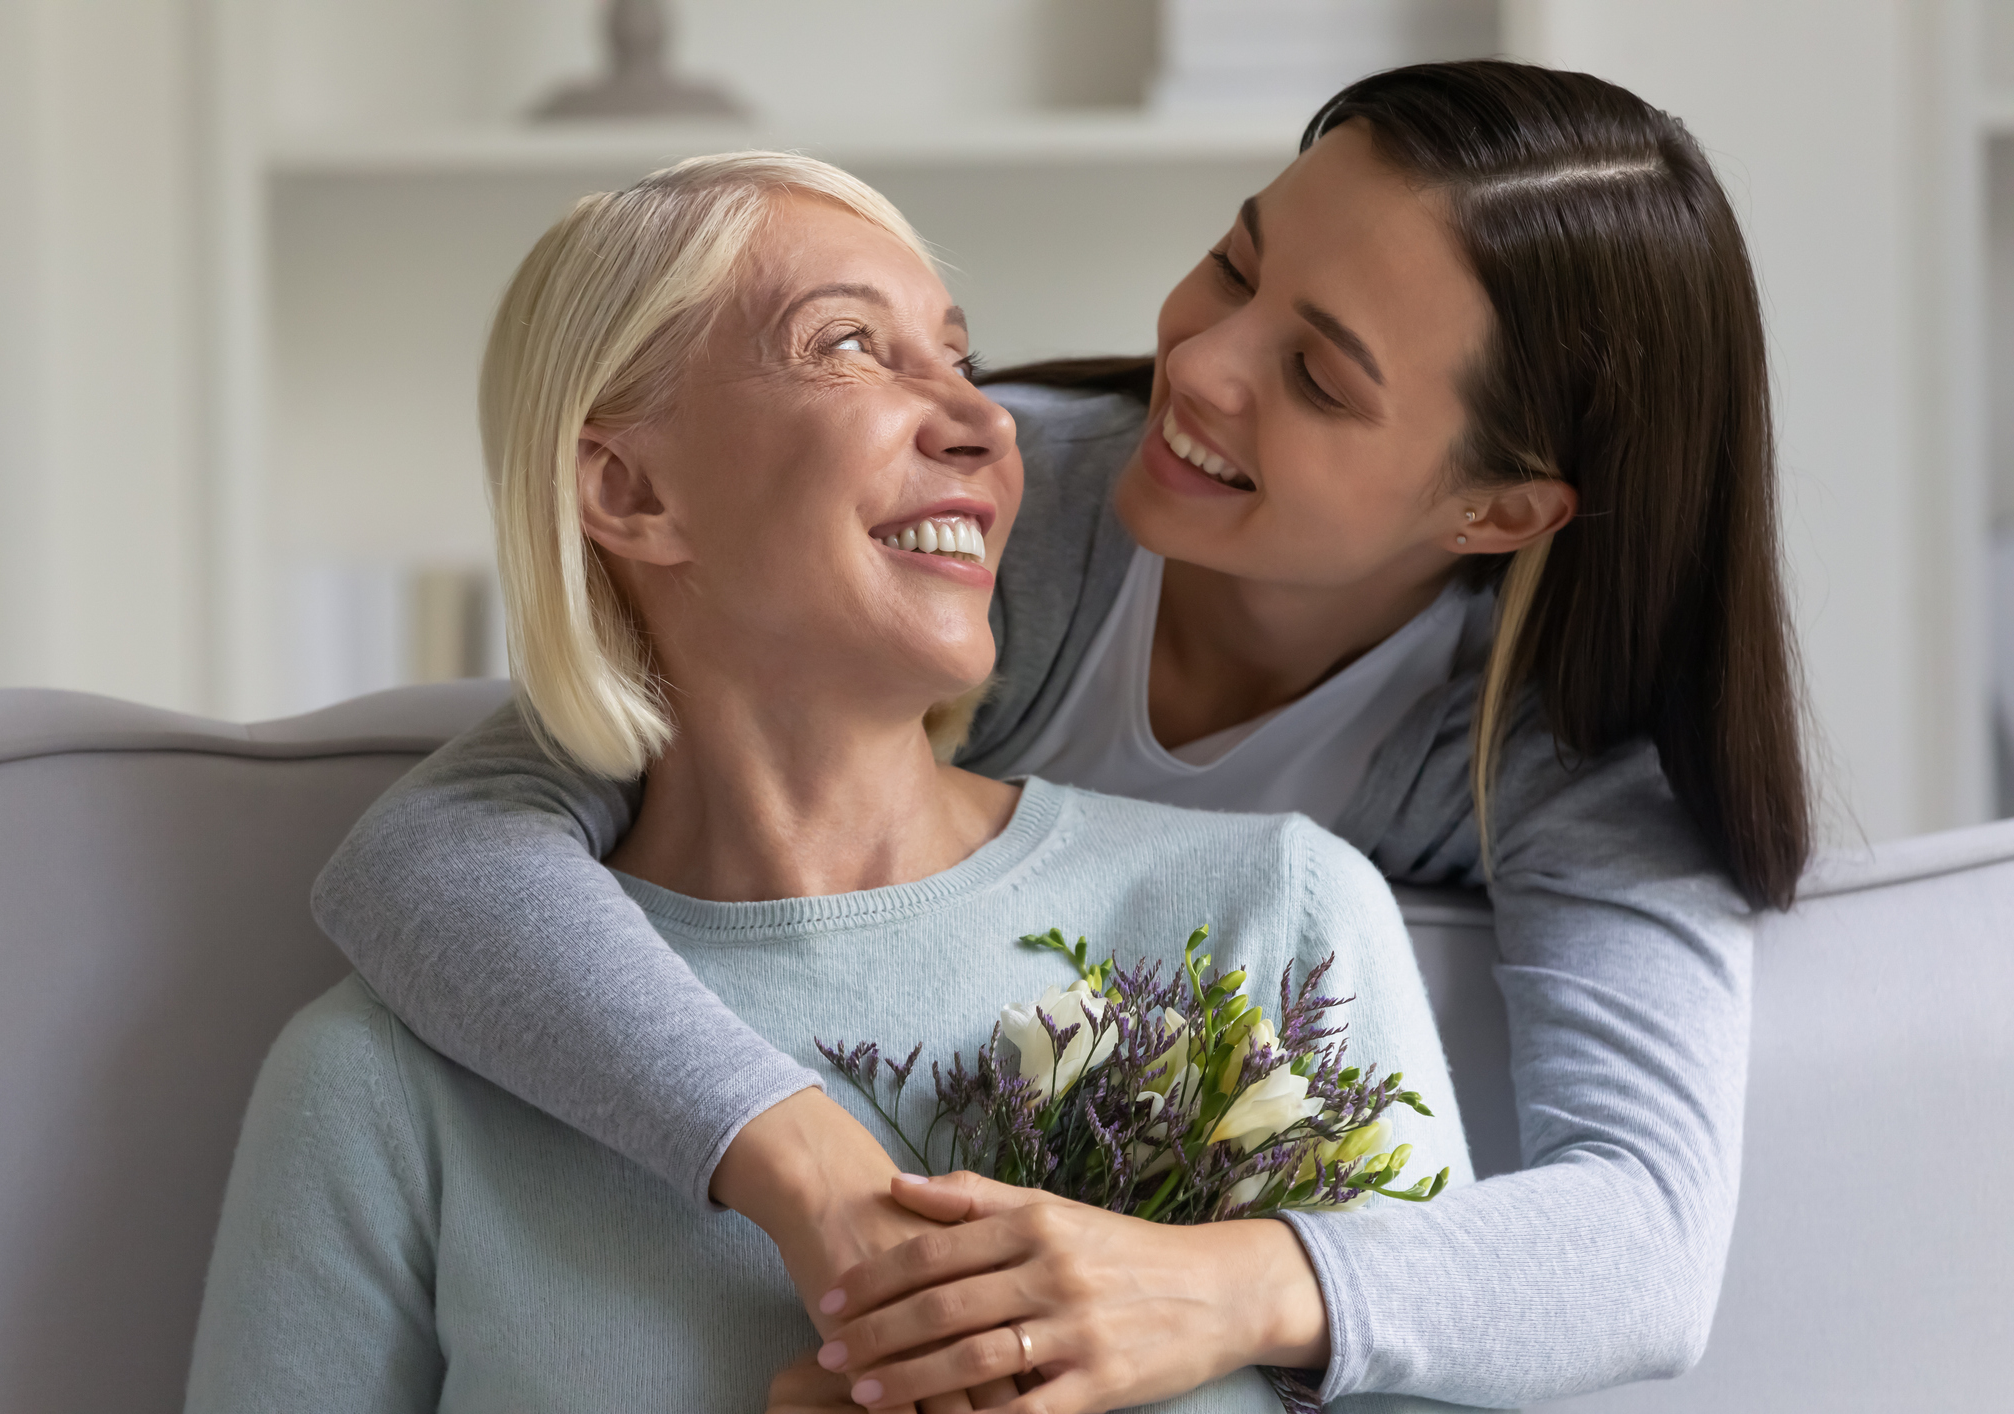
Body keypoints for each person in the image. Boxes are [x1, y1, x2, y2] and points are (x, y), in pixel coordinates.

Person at [311, 60, 1809, 1412]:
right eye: (1234, 262)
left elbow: (1643, 1241)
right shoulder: (981, 518)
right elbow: (434, 848)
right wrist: (820, 1170)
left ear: (1496, 510)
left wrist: (1206, 1288)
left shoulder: (1556, 753)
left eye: (1317, 376)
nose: (1203, 365)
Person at [184, 152, 1469, 1414]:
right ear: (629, 490)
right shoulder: (386, 1082)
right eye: (848, 345)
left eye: (958, 356)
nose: (985, 419)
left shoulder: (1274, 921)